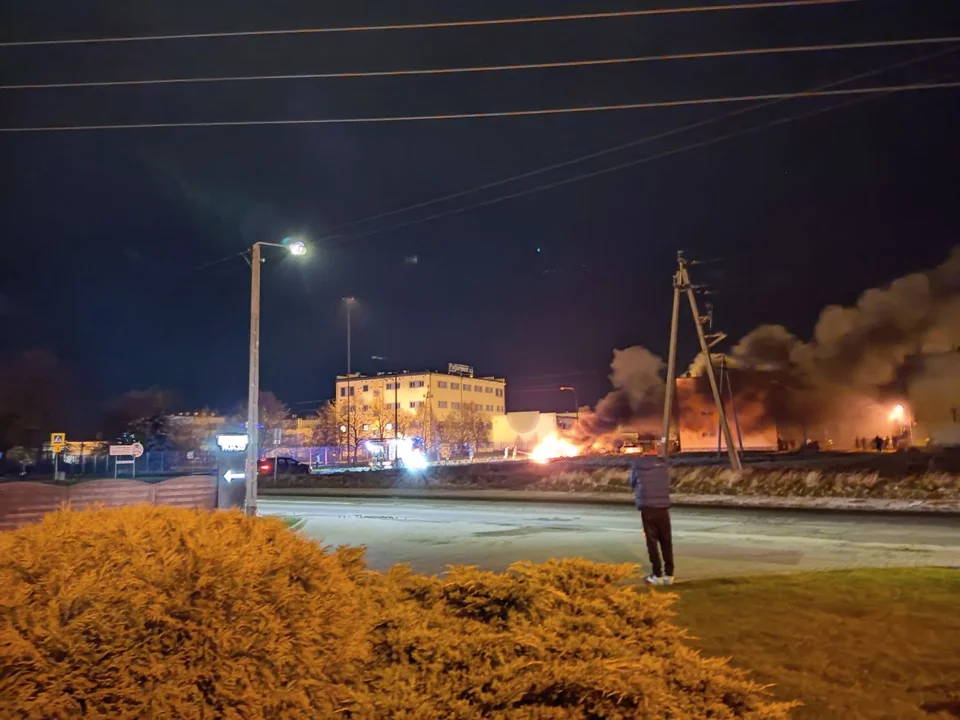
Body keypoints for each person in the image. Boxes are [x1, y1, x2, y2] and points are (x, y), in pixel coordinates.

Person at [629, 455, 674, 586]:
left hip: (648, 509)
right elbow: (666, 483)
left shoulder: (637, 466)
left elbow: (632, 482)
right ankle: (669, 575)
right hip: (663, 508)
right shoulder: (663, 467)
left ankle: (657, 575)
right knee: (666, 541)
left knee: (652, 543)